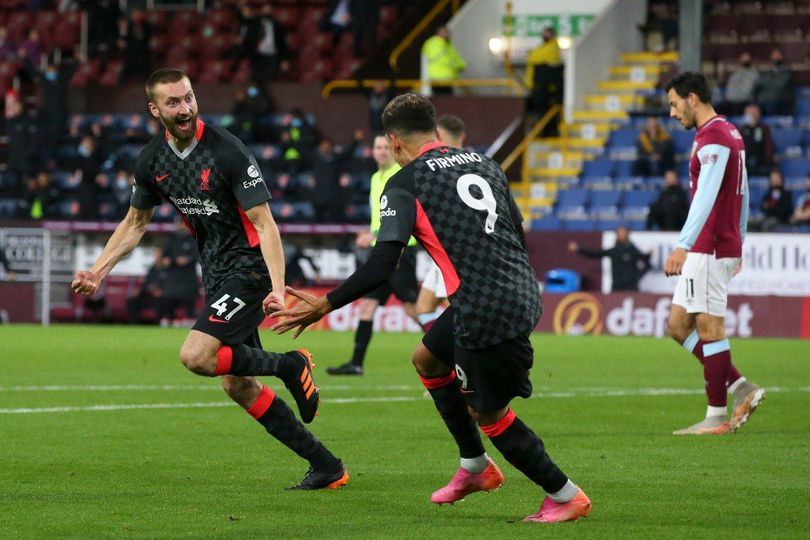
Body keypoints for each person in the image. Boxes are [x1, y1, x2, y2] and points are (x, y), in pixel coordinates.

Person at [273, 93, 591, 523]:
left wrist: (326, 304)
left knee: (488, 412)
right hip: (513, 289)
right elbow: (516, 229)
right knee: (426, 357)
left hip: (484, 306)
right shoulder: (484, 163)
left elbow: (385, 263)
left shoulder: (404, 183)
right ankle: (475, 467)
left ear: (395, 142)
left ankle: (564, 494)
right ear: (435, 130)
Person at [71, 68, 348, 490]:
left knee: (196, 355)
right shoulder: (152, 160)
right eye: (173, 103)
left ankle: (290, 365)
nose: (184, 109)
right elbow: (134, 223)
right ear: (154, 109)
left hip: (249, 268)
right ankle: (326, 465)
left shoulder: (227, 151)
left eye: (188, 98)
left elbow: (266, 223)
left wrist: (276, 289)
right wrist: (98, 270)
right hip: (216, 271)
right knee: (238, 384)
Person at [663, 71, 764, 435]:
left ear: (692, 98)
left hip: (709, 245)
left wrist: (683, 245)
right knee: (677, 325)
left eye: (674, 104)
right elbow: (746, 192)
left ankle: (716, 416)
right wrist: (742, 239)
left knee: (709, 327)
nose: (672, 113)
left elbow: (705, 194)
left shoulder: (715, 137)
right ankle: (742, 388)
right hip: (719, 243)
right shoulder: (728, 132)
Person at [326, 134, 419, 375]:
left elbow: (403, 218)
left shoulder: (398, 176)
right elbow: (383, 218)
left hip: (401, 249)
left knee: (413, 308)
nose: (380, 151)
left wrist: (374, 236)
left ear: (392, 149)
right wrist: (370, 232)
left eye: (384, 147)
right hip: (382, 248)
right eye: (377, 147)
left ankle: (447, 353)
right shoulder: (376, 177)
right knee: (367, 306)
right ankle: (356, 364)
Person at [416, 114, 465, 330]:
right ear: (462, 135)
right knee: (423, 308)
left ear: (437, 135)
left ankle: (456, 357)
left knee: (453, 307)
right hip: (453, 245)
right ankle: (446, 356)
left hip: (450, 247)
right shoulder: (473, 162)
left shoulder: (437, 166)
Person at [568, 226, 651, 291]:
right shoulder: (613, 251)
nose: (621, 234)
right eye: (619, 233)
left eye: (623, 232)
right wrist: (579, 249)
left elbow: (644, 260)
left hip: (631, 286)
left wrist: (649, 255)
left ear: (628, 234)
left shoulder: (632, 249)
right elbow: (595, 253)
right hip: (617, 286)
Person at [160, 220, 201, 325]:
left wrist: (187, 260)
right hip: (173, 273)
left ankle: (189, 319)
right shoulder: (171, 239)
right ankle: (169, 319)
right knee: (169, 296)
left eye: (182, 223)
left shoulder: (193, 239)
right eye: (178, 223)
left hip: (188, 273)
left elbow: (197, 256)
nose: (180, 226)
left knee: (189, 297)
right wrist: (168, 260)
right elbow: (164, 258)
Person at [524, 26, 562, 137]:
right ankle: (545, 133)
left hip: (548, 89)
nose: (546, 36)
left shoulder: (553, 47)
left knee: (547, 112)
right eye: (545, 34)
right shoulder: (542, 47)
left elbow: (534, 56)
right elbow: (534, 57)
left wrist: (532, 54)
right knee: (540, 112)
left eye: (548, 34)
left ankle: (550, 133)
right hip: (538, 87)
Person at [421, 26, 466, 95]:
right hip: (438, 78)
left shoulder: (447, 44)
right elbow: (445, 60)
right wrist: (459, 65)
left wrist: (462, 64)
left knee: (447, 100)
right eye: (446, 32)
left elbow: (454, 57)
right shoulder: (434, 43)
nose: (448, 34)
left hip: (447, 79)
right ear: (439, 33)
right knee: (442, 99)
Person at [739, 103, 774, 176]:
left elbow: (768, 148)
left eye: (755, 114)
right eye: (750, 114)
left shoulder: (764, 129)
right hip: (746, 163)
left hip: (761, 163)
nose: (753, 116)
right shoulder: (742, 129)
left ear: (759, 115)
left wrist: (768, 161)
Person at [755, 48, 793, 115]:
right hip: (766, 101)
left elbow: (780, 85)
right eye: (774, 55)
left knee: (771, 105)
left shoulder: (787, 70)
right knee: (753, 106)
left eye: (778, 55)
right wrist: (772, 81)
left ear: (782, 57)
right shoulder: (768, 71)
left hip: (781, 101)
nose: (776, 57)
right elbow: (760, 82)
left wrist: (768, 82)